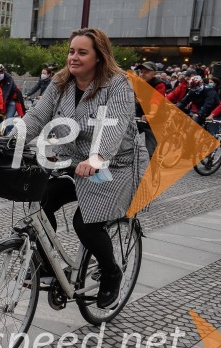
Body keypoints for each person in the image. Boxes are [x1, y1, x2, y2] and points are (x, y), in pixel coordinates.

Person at [20, 27, 145, 309]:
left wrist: (97, 158)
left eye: (82, 52)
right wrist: (10, 138)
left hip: (113, 165)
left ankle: (111, 272)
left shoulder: (117, 84)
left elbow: (113, 125)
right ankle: (50, 268)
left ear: (99, 56)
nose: (73, 57)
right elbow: (37, 117)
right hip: (72, 160)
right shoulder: (61, 82)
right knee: (41, 201)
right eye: (71, 51)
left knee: (86, 223)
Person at [133, 62, 167, 157]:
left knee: (150, 150)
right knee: (126, 140)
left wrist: (151, 114)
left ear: (154, 74)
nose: (142, 74)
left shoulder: (159, 84)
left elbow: (155, 100)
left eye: (146, 72)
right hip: (140, 117)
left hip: (156, 119)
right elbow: (132, 99)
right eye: (141, 72)